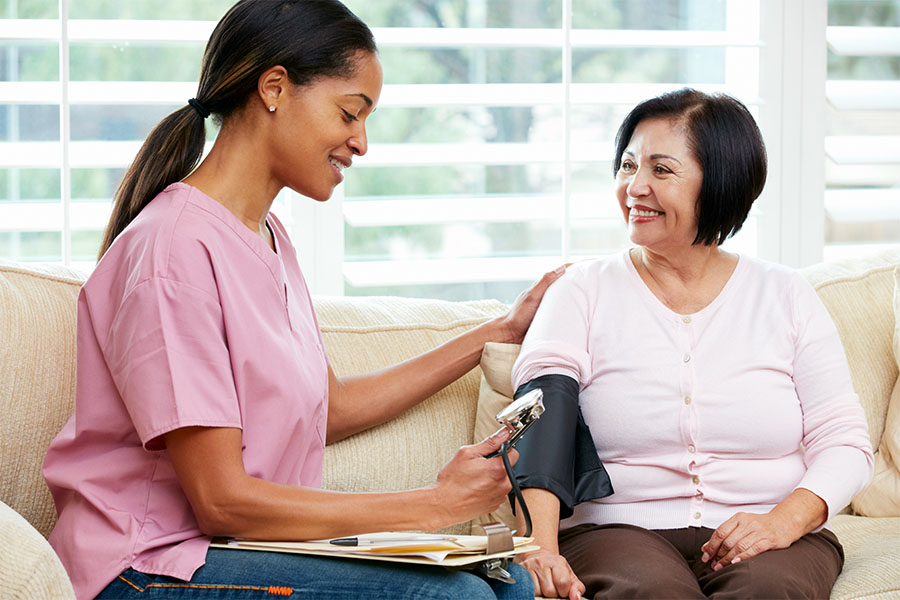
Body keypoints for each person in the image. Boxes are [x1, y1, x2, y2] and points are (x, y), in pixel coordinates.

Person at [42, 1, 561, 598]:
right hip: (148, 565)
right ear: (274, 88)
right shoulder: (172, 250)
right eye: (350, 112)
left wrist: (497, 332)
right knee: (454, 596)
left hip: (239, 551)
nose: (361, 142)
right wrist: (431, 506)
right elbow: (220, 501)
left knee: (511, 584)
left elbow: (329, 407)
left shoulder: (267, 236)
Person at [509, 88, 874, 599]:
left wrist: (782, 522)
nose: (635, 187)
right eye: (628, 165)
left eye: (661, 170)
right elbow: (540, 420)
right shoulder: (581, 290)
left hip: (770, 531)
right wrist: (539, 546)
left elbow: (846, 441)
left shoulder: (785, 295)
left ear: (721, 181)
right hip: (616, 532)